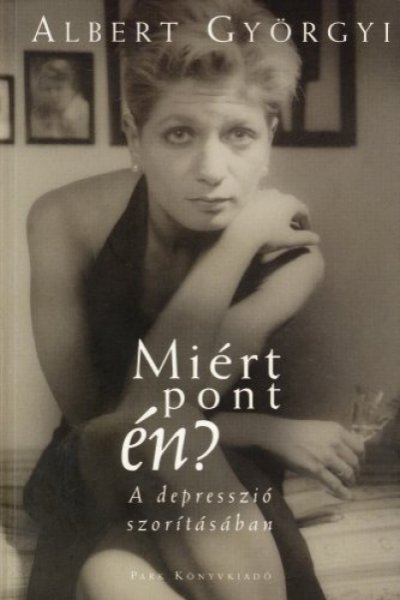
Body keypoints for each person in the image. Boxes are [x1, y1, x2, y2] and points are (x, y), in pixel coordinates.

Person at [24, 1, 365, 599]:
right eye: (179, 134)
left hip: (208, 471)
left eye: (239, 134)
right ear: (135, 135)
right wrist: (239, 239)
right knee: (155, 439)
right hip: (94, 464)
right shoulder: (63, 218)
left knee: (113, 578)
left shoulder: (295, 262)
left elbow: (167, 408)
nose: (211, 169)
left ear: (269, 138)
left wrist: (244, 240)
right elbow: (113, 422)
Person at [31, 58, 89, 139]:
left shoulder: (83, 112)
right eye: (48, 89)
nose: (53, 95)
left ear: (73, 88)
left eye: (59, 88)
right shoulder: (47, 113)